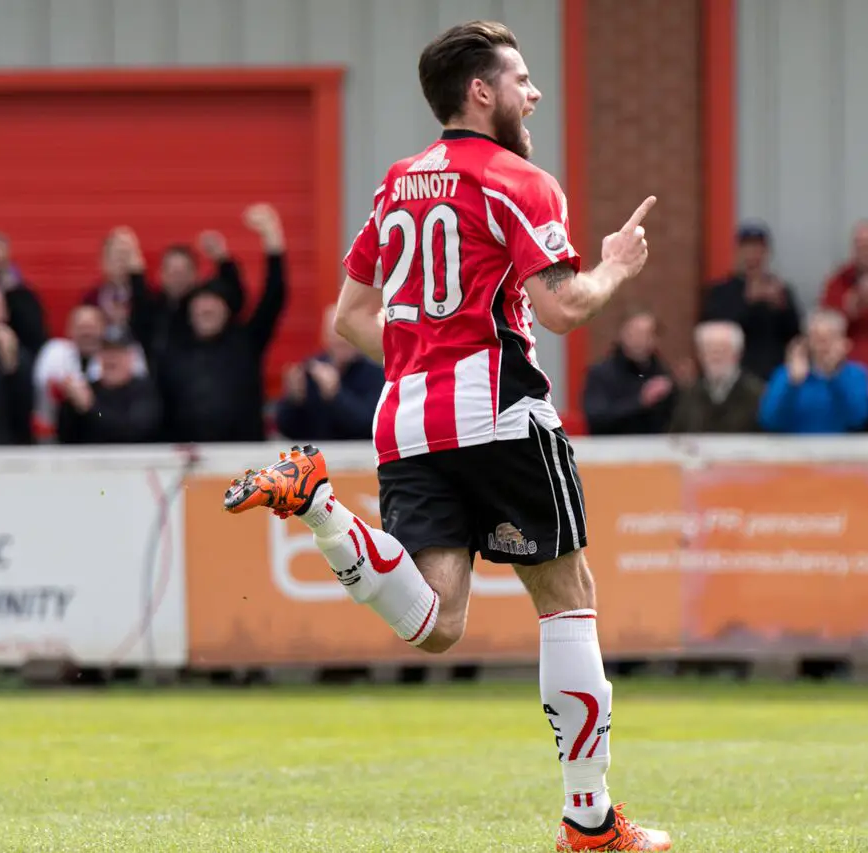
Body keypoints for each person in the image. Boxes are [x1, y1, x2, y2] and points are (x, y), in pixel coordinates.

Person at [222, 20, 671, 853]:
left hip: (405, 417)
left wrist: (427, 354)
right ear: (482, 92)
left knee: (436, 621)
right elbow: (565, 309)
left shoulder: (397, 183)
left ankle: (321, 507)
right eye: (523, 80)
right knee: (567, 599)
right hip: (498, 409)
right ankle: (590, 822)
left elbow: (348, 317)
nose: (533, 94)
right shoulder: (519, 180)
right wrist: (616, 263)